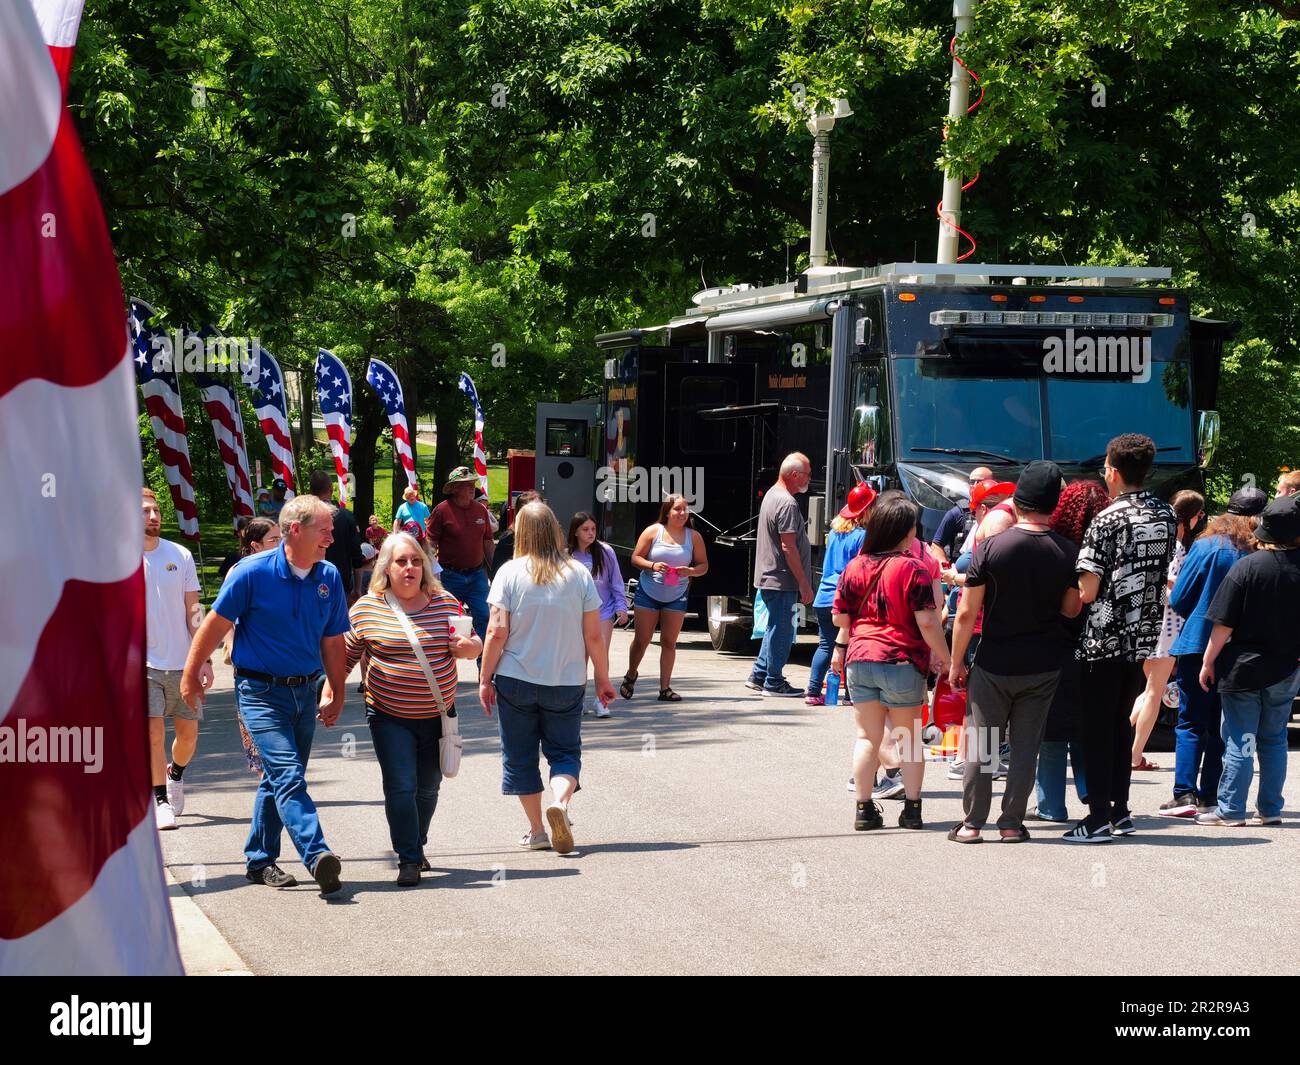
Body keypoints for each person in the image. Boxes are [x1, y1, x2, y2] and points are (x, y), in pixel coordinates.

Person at [180, 495, 350, 895]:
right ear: (295, 529)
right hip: (258, 692)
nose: (331, 536)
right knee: (288, 774)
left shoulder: (329, 576)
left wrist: (337, 690)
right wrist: (190, 675)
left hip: (305, 693)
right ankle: (317, 853)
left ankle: (259, 859)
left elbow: (333, 640)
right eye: (324, 529)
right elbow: (214, 625)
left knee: (279, 779)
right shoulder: (250, 573)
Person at [333, 532, 482, 885]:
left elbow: (474, 643)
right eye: (402, 561)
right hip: (388, 715)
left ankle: (417, 842)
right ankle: (409, 858)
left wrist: (469, 648)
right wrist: (330, 693)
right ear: (386, 568)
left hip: (438, 714)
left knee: (428, 787)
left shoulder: (445, 603)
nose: (410, 567)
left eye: (416, 561)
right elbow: (344, 659)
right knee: (400, 784)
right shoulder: (367, 608)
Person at [947, 462, 1082, 843]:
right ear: (1053, 506)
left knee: (985, 743)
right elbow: (1071, 609)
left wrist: (956, 663)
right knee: (1025, 746)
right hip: (1043, 663)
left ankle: (973, 823)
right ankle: (1010, 823)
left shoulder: (991, 547)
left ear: (1016, 503)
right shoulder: (1068, 551)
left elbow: (967, 613)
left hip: (994, 662)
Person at [480, 502, 616, 854]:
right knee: (565, 751)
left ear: (521, 532)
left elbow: (496, 631)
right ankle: (562, 803)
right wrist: (603, 678)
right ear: (556, 531)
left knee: (521, 756)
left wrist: (484, 678)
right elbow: (594, 636)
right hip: (567, 680)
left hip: (515, 681)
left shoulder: (509, 573)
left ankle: (538, 829)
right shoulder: (578, 574)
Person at [1064, 434, 1177, 842]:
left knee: (1096, 727)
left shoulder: (1107, 519)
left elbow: (1089, 590)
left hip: (1104, 638)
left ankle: (1096, 819)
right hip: (1143, 636)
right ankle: (1120, 810)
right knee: (1120, 725)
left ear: (1112, 470)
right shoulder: (1165, 513)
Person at [832, 492, 952, 832]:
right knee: (909, 739)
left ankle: (864, 809)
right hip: (902, 660)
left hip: (860, 659)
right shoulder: (912, 568)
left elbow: (840, 618)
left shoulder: (855, 566)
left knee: (867, 737)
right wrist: (945, 659)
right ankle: (912, 811)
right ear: (905, 531)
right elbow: (928, 622)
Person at [1196, 494, 1300, 826]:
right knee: (1274, 739)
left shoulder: (1248, 567)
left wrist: (1208, 661)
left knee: (1241, 739)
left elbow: (1223, 624)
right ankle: (1270, 809)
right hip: (1286, 668)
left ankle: (1231, 809)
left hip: (1242, 668)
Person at [1159, 493, 1264, 817]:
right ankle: (1211, 796)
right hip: (1241, 649)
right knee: (1225, 723)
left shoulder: (1205, 546)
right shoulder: (1259, 552)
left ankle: (1184, 794)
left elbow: (1179, 599)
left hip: (1197, 642)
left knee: (1190, 721)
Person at [1031, 479, 1109, 822]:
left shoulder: (1059, 550)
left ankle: (1050, 805)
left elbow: (1068, 608)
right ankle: (1092, 793)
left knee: (1052, 729)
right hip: (1102, 646)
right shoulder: (1111, 548)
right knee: (1087, 725)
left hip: (1058, 646)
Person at [142, 488, 210, 831]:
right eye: (145, 511)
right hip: (143, 666)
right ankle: (160, 801)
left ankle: (176, 772)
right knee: (152, 735)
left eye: (156, 511)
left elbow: (194, 612)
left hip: (183, 663)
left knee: (188, 737)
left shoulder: (180, 555)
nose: (153, 517)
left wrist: (204, 659)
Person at [1129, 490, 1205, 771]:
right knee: (1154, 692)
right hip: (1167, 626)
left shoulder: (1155, 538)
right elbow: (1171, 589)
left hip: (1146, 622)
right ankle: (1133, 755)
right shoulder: (1178, 547)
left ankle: (1121, 747)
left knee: (1149, 688)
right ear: (1194, 516)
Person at [623, 495, 709, 702]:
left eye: (685, 510)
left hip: (676, 595)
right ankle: (631, 674)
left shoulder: (693, 536)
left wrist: (690, 571)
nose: (682, 513)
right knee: (642, 640)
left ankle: (665, 688)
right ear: (667, 512)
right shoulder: (654, 531)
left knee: (669, 642)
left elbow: (703, 566)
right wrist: (653, 565)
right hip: (648, 592)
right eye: (677, 509)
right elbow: (635, 558)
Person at [746, 453, 814, 697]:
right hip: (782, 578)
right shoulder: (786, 502)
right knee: (782, 628)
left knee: (775, 626)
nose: (810, 478)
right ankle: (774, 681)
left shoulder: (773, 495)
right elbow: (788, 546)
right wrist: (804, 583)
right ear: (795, 475)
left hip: (772, 575)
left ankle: (759, 674)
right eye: (807, 473)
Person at [220, 517, 283, 777]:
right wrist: (233, 646)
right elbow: (222, 616)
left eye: (282, 538)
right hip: (251, 669)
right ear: (255, 545)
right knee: (259, 742)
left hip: (283, 667)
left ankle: (276, 785)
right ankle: (271, 785)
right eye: (274, 540)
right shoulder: (239, 571)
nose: (280, 544)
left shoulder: (285, 570)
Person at [808, 482, 876, 705]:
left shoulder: (836, 533)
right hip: (846, 598)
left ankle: (813, 691)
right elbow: (863, 569)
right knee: (851, 644)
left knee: (826, 645)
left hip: (823, 596)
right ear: (866, 510)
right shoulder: (862, 536)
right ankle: (849, 695)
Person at [568, 512, 628, 717]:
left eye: (593, 529)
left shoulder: (605, 551)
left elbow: (616, 582)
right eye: (585, 529)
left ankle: (602, 700)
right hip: (575, 614)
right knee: (579, 657)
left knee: (600, 655)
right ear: (575, 531)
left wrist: (622, 606)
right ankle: (578, 699)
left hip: (603, 611)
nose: (590, 533)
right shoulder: (567, 554)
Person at [427, 466, 495, 644]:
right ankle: (445, 667)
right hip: (450, 576)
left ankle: (483, 669)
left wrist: (495, 572)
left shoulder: (481, 511)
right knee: (445, 622)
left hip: (477, 576)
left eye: (473, 483)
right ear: (454, 488)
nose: (472, 487)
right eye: (466, 484)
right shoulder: (441, 511)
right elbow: (430, 544)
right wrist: (430, 573)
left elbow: (488, 541)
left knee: (486, 618)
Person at [310, 469, 366, 601]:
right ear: (330, 489)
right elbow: (356, 554)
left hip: (311, 581)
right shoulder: (346, 516)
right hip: (340, 582)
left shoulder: (304, 517)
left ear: (311, 491)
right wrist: (357, 588)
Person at [929, 466, 992, 566]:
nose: (975, 485)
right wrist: (946, 569)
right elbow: (936, 545)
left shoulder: (1000, 512)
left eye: (980, 482)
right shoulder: (956, 513)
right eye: (972, 482)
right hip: (959, 575)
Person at [490, 489, 542, 578]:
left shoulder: (545, 536)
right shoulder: (508, 539)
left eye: (542, 508)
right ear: (521, 513)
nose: (540, 513)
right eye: (534, 509)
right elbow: (497, 574)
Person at [217, 516, 252, 582]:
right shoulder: (232, 558)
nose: (251, 535)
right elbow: (226, 585)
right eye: (247, 532)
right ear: (239, 533)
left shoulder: (265, 556)